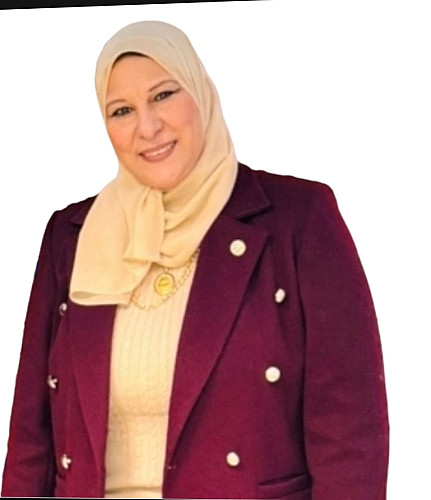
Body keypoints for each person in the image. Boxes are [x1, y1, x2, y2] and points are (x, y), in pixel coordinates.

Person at [1, 20, 389, 500]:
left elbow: (349, 435)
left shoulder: (298, 219)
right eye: (122, 110)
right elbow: (30, 440)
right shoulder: (72, 236)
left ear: (201, 93)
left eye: (163, 95)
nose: (147, 127)